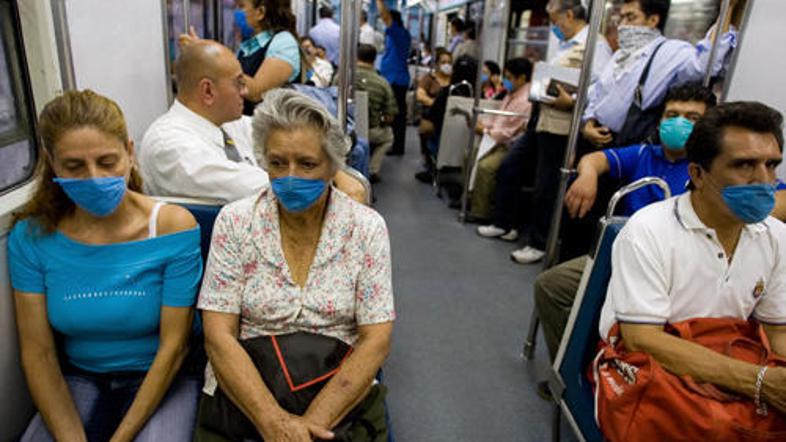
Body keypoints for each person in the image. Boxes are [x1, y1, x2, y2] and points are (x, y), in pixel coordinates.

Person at [193, 89, 395, 440]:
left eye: (307, 164)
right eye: (277, 163)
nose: (290, 176)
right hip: (251, 391)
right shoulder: (235, 222)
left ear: (333, 165)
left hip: (336, 386)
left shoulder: (365, 228)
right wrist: (273, 423)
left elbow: (375, 339)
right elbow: (219, 336)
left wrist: (310, 426)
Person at [10, 90, 202, 441]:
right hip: (80, 375)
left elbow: (174, 347)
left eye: (107, 161)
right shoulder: (31, 237)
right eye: (74, 166)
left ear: (130, 153)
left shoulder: (173, 227)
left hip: (159, 375)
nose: (94, 177)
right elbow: (38, 354)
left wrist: (121, 438)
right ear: (51, 162)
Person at [596, 101, 786, 431]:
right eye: (745, 165)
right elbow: (643, 339)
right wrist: (757, 382)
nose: (764, 180)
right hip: (654, 363)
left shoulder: (776, 237)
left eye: (772, 165)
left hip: (726, 354)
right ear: (697, 173)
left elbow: (776, 330)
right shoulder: (649, 231)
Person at [533, 84, 716, 394]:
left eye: (692, 117)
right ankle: (573, 371)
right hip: (623, 253)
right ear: (659, 122)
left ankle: (623, 385)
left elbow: (773, 196)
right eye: (672, 115)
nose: (679, 123)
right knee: (552, 287)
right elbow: (594, 160)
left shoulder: (714, 170)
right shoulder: (645, 154)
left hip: (675, 268)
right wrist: (587, 176)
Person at [140, 40, 365, 204]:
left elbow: (285, 136)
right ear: (207, 90)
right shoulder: (169, 146)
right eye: (238, 83)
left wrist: (334, 170)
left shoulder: (225, 123)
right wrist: (326, 176)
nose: (246, 91)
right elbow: (261, 185)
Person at [480, 0, 611, 250]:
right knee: (510, 166)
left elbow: (599, 91)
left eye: (554, 21)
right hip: (541, 119)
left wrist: (571, 101)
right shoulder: (565, 45)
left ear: (570, 15)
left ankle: (539, 244)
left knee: (546, 186)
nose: (553, 27)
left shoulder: (596, 46)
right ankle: (504, 222)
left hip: (561, 127)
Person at [581, 0, 738, 148]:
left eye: (631, 17)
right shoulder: (620, 55)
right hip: (595, 137)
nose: (623, 25)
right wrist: (589, 121)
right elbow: (598, 92)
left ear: (653, 20)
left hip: (628, 141)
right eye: (621, 18)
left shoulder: (669, 52)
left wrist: (727, 9)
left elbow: (705, 65)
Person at [181, 0, 303, 117]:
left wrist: (207, 55)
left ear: (260, 12)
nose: (236, 12)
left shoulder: (284, 42)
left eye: (241, 6)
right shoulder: (246, 46)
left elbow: (257, 91)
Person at [469, 58, 533, 222]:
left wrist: (484, 130)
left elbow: (509, 132)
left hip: (507, 145)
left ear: (522, 78)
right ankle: (470, 199)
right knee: (468, 155)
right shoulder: (511, 95)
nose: (506, 81)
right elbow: (499, 118)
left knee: (485, 167)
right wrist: (486, 125)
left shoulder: (525, 101)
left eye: (509, 77)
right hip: (495, 139)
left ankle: (481, 212)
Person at [356, 44, 398, 183]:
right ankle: (372, 170)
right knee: (388, 137)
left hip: (344, 128)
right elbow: (389, 117)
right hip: (370, 131)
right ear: (374, 60)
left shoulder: (341, 77)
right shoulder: (383, 83)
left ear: (356, 57)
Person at [376, 0, 411, 157]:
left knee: (397, 115)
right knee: (397, 114)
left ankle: (397, 147)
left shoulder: (398, 34)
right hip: (394, 78)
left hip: (397, 80)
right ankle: (396, 145)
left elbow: (385, 16)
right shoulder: (395, 36)